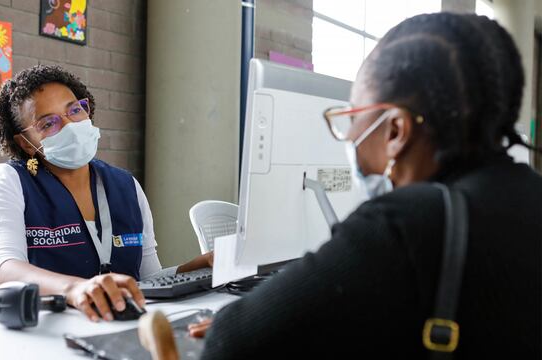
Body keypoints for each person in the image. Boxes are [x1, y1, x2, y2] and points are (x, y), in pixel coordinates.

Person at [139, 12, 542, 359]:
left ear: (397, 130)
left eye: (353, 119)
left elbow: (230, 341)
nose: (348, 138)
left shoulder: (408, 222)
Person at [0, 65, 213, 322]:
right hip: (53, 333)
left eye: (75, 110)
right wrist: (73, 289)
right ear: (26, 143)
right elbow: (2, 271)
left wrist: (192, 270)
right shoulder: (11, 181)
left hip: (122, 328)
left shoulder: (127, 186)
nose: (69, 125)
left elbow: (146, 279)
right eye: (48, 123)